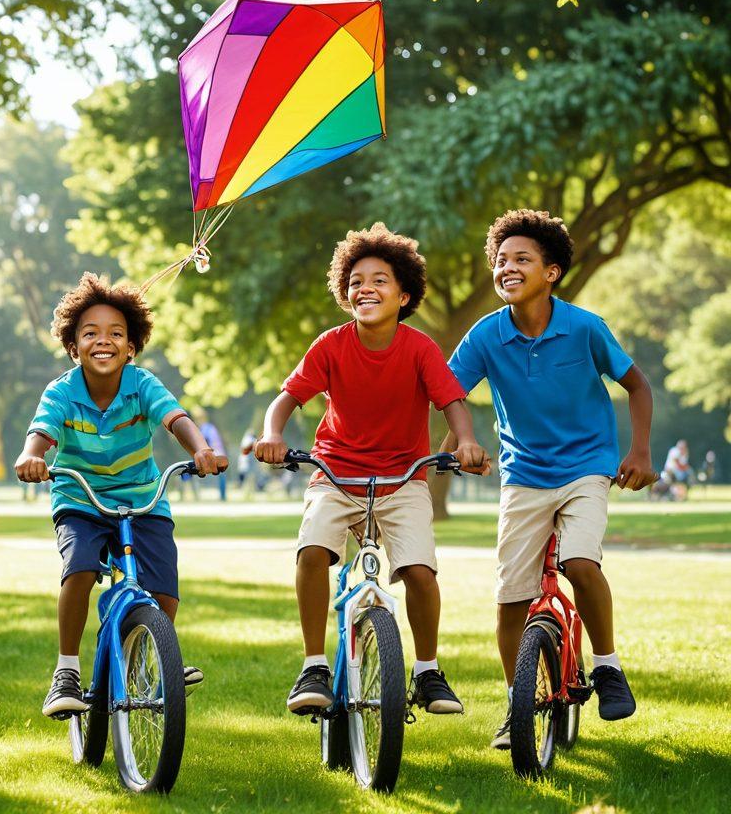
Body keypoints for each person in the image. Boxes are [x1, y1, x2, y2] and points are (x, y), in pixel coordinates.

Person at [255, 223, 489, 718]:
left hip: (403, 478)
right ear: (345, 294)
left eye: (381, 280)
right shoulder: (331, 345)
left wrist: (465, 441)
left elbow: (452, 403)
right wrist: (273, 434)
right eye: (357, 280)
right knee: (313, 548)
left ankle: (427, 670)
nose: (367, 287)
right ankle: (314, 664)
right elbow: (288, 400)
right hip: (336, 472)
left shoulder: (420, 349)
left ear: (404, 295)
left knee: (420, 572)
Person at [443, 209, 656, 750]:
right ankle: (521, 703)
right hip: (523, 474)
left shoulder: (584, 326)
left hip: (587, 467)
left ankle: (607, 667)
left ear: (552, 271)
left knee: (580, 561)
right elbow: (450, 396)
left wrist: (639, 451)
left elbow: (638, 386)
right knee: (510, 597)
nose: (506, 267)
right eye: (500, 259)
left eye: (521, 259)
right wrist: (445, 455)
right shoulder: (486, 334)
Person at [14, 273, 226, 718]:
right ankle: (66, 670)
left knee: (164, 588)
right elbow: (42, 432)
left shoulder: (142, 383)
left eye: (116, 333)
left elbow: (176, 418)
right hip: (81, 499)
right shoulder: (62, 391)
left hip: (142, 497)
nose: (103, 341)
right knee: (80, 569)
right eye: (90, 333)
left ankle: (153, 659)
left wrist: (202, 449)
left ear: (131, 346)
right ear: (74, 348)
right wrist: (32, 455)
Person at [196, 409, 228, 501]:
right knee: (221, 476)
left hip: (215, 453)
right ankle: (222, 496)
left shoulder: (205, 428)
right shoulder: (211, 427)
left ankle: (222, 496)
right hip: (219, 453)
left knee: (218, 475)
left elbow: (205, 440)